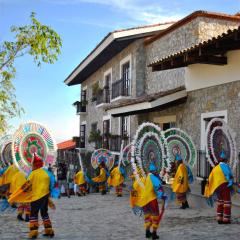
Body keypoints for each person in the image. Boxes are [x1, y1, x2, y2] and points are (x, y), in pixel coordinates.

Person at [9, 154, 56, 239]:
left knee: (33, 214)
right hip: (45, 196)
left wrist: (18, 194)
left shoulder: (33, 174)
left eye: (32, 164)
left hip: (36, 197)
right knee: (44, 213)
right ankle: (49, 230)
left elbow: (27, 186)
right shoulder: (45, 174)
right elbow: (49, 185)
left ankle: (34, 232)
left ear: (34, 165)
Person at [130, 163, 166, 240]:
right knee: (155, 216)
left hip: (144, 201)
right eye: (156, 171)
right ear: (154, 171)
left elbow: (135, 186)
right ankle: (154, 234)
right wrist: (162, 196)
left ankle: (147, 232)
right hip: (151, 200)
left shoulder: (143, 177)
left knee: (147, 216)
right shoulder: (152, 177)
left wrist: (135, 199)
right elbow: (158, 187)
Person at [204, 150, 233, 224]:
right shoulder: (225, 167)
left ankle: (219, 218)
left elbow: (210, 178)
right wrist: (230, 183)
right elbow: (229, 176)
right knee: (227, 202)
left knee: (220, 202)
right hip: (225, 186)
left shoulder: (215, 168)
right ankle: (226, 219)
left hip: (217, 187)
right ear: (225, 159)